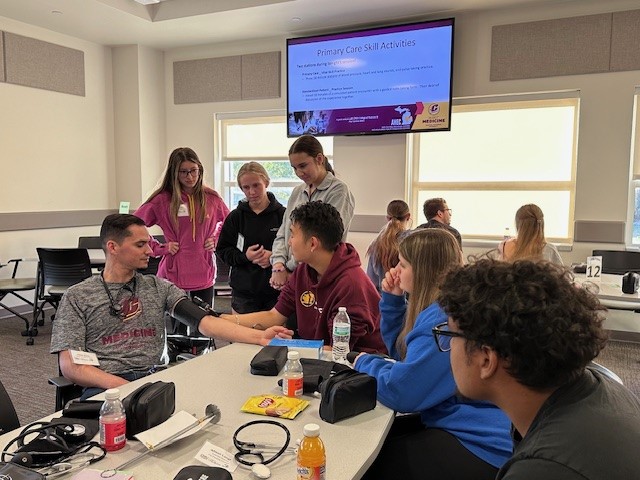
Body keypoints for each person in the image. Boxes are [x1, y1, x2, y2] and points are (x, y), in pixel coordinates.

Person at [50, 214, 292, 399]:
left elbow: (206, 323)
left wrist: (260, 337)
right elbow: (71, 366)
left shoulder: (157, 287)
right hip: (106, 389)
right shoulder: (78, 296)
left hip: (155, 380)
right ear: (113, 247)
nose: (150, 250)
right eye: (140, 245)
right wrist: (126, 388)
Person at [438, 259, 640, 480]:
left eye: (450, 334)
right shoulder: (605, 388)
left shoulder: (542, 469)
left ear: (487, 359)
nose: (448, 347)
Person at [354, 229, 512, 480]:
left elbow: (402, 392)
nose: (395, 269)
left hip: (481, 445)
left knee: (366, 462)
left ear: (423, 271)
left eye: (403, 264)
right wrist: (393, 302)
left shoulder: (443, 320)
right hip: (476, 428)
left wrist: (362, 361)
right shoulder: (441, 308)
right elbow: (408, 358)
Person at [222, 201, 386, 354]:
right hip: (322, 358)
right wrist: (224, 320)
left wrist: (287, 345)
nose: (289, 243)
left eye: (292, 235)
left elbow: (338, 350)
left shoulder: (351, 284)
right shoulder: (304, 271)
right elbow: (275, 316)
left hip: (360, 367)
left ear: (313, 243)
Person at [134, 147, 230, 310]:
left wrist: (216, 240)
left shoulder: (211, 198)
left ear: (200, 169)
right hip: (173, 272)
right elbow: (133, 225)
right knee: (177, 329)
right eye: (183, 172)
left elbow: (230, 223)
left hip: (203, 270)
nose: (190, 176)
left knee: (204, 325)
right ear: (174, 173)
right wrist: (160, 248)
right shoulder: (163, 200)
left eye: (193, 171)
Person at [270, 135, 355, 290]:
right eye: (294, 168)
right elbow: (284, 232)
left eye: (303, 166)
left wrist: (290, 270)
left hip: (319, 276)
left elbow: (322, 242)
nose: (299, 172)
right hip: (291, 274)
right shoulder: (297, 192)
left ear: (319, 159)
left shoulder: (338, 191)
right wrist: (278, 265)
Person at [216, 162, 286, 313]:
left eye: (256, 185)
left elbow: (295, 251)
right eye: (246, 188)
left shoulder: (283, 215)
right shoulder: (235, 217)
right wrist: (245, 257)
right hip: (243, 294)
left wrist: (274, 258)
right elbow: (222, 251)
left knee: (276, 335)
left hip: (276, 292)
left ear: (266, 183)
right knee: (242, 336)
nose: (252, 192)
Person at [366, 199, 411, 293]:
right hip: (410, 303)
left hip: (381, 302)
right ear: (408, 216)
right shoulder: (412, 241)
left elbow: (371, 283)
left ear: (387, 218)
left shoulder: (376, 244)